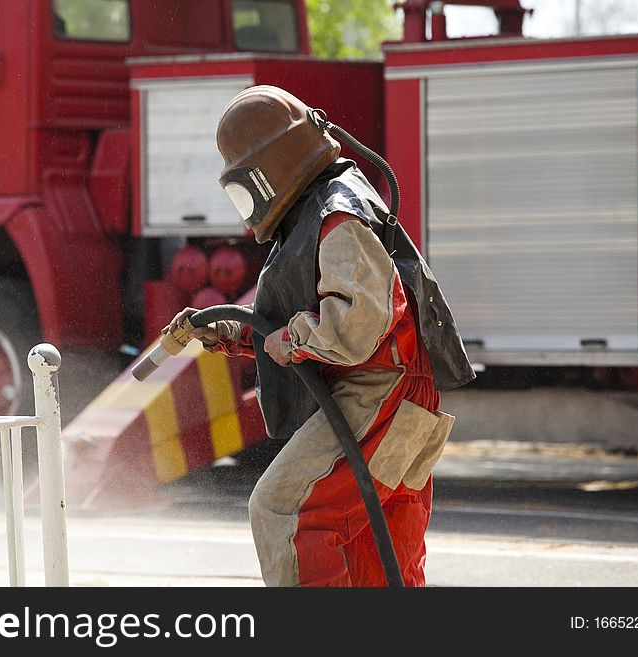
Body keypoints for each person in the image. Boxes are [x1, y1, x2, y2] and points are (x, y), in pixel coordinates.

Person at [164, 85, 474, 587]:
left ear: (270, 169)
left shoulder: (338, 217)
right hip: (395, 396)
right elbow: (314, 318)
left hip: (380, 396)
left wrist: (287, 338)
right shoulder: (318, 211)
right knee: (373, 551)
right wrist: (234, 333)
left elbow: (355, 328)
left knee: (283, 511)